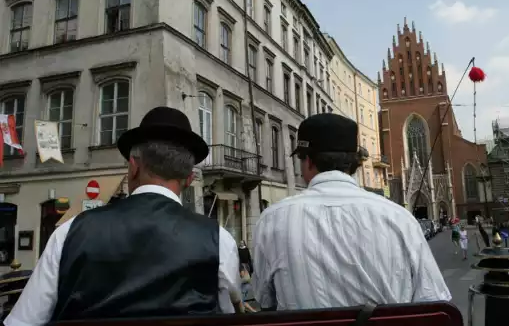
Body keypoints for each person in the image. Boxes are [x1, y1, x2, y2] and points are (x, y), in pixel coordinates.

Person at [5, 107, 243, 326]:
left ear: (133, 167)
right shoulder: (218, 240)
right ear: (189, 179)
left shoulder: (69, 233)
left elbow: (22, 322)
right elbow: (226, 316)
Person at [251, 113, 451, 310]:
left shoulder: (271, 220)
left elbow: (265, 301)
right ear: (355, 164)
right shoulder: (401, 219)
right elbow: (433, 302)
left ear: (309, 161)